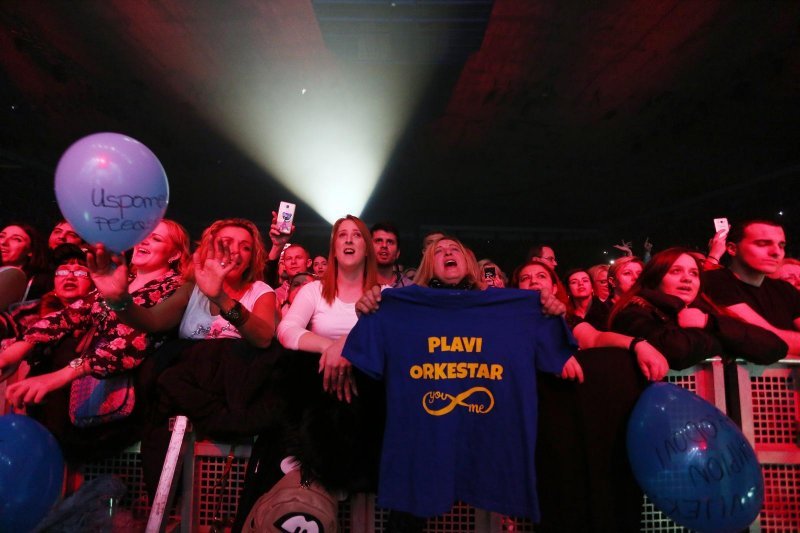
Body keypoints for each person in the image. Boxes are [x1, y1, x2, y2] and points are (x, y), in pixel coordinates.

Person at [342, 235, 581, 527]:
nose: (447, 252)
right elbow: (362, 361)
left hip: (488, 445)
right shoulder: (398, 307)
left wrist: (549, 313)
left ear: (469, 260)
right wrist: (369, 309)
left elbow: (554, 355)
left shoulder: (515, 309)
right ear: (429, 265)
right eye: (438, 251)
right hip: (424, 444)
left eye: (454, 248)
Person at [0, 220, 190, 462]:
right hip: (90, 389)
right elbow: (71, 314)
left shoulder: (175, 287)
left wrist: (58, 377)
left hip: (132, 396)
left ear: (174, 254)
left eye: (156, 238)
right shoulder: (125, 279)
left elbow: (132, 342)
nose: (144, 241)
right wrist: (18, 348)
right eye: (143, 235)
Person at [609, 247, 787, 368]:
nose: (687, 278)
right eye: (675, 271)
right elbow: (676, 350)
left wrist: (709, 323)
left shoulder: (706, 312)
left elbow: (775, 347)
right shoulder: (633, 312)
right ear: (655, 279)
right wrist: (727, 342)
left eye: (694, 273)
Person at [703, 219, 800, 356]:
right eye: (762, 244)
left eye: (781, 245)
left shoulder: (785, 289)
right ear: (732, 248)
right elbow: (768, 339)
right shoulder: (716, 281)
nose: (776, 252)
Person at [0, 244, 94, 351]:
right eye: (62, 271)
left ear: (94, 282)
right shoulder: (23, 311)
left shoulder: (101, 317)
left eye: (80, 272)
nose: (70, 277)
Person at [0, 222, 50, 309]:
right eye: (1, 236)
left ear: (30, 250)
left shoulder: (39, 284)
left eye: (16, 239)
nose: (4, 242)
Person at [371, 222, 413, 288]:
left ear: (397, 253)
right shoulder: (356, 284)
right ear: (367, 249)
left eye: (390, 242)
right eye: (378, 241)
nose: (384, 245)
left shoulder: (409, 288)